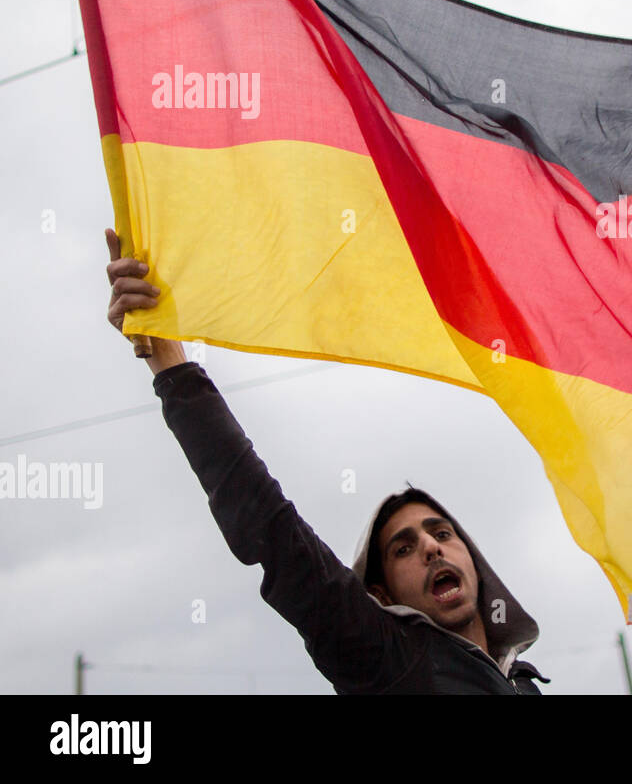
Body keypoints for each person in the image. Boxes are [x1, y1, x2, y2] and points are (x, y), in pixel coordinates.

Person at [104, 228, 547, 694]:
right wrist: (170, 362)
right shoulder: (386, 657)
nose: (431, 548)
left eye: (441, 533)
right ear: (380, 596)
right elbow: (274, 532)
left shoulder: (526, 686)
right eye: (403, 548)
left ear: (473, 561)